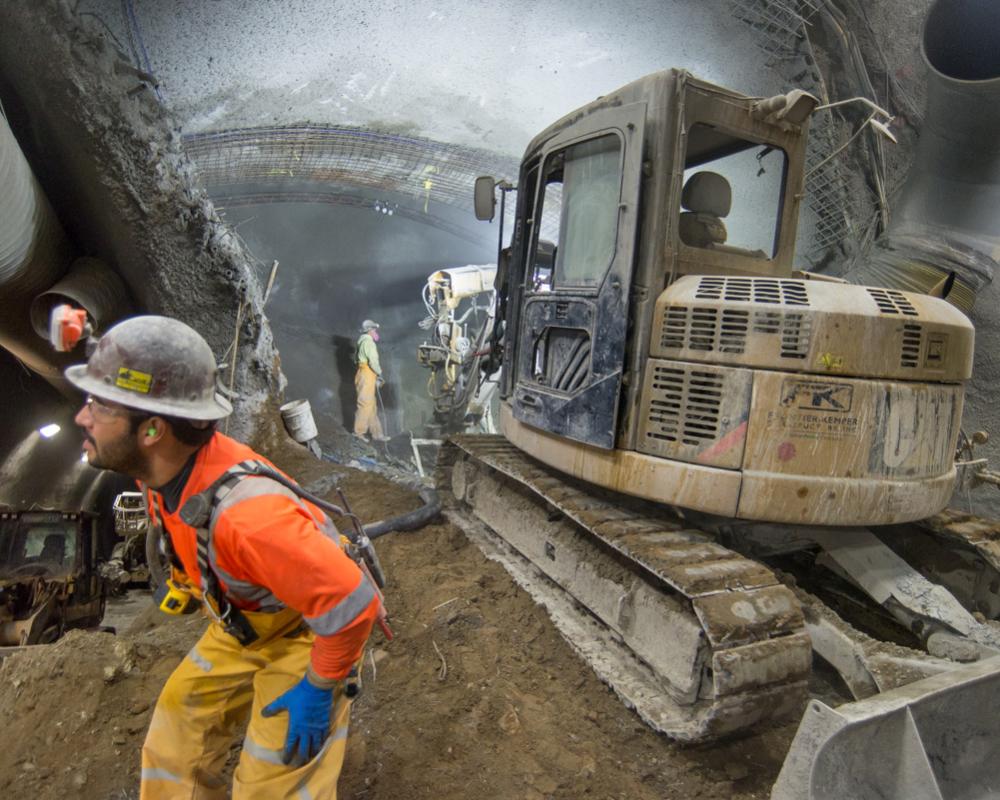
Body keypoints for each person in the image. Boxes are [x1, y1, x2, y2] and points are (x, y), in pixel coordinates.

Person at [67, 315, 379, 799]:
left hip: (306, 636)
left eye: (100, 408)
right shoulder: (158, 472)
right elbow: (186, 534)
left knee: (273, 783)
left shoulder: (249, 519)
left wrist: (320, 687)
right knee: (176, 739)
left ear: (152, 430)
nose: (82, 419)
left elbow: (355, 602)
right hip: (241, 626)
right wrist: (189, 584)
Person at [353, 319, 389, 442]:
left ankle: (377, 434)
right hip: (367, 373)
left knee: (371, 405)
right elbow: (373, 361)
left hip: (364, 372)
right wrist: (379, 373)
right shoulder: (368, 342)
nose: (375, 332)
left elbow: (355, 360)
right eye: (374, 330)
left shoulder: (361, 342)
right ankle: (359, 433)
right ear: (369, 331)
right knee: (365, 403)